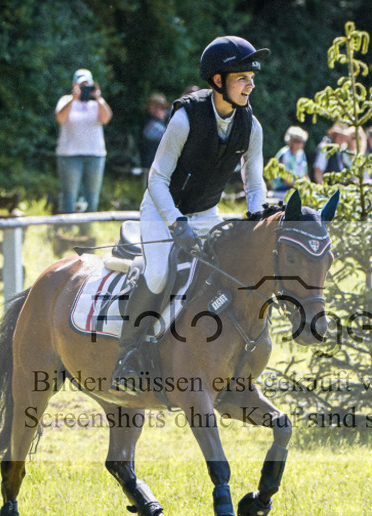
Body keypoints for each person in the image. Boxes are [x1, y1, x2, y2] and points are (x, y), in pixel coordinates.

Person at [111, 35, 270, 392]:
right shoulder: (186, 118)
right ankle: (128, 355)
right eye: (243, 77)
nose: (251, 84)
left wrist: (258, 219)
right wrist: (175, 222)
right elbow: (157, 178)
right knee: (157, 274)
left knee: (229, 269)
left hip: (205, 213)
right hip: (160, 208)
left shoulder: (251, 126)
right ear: (218, 81)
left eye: (252, 77)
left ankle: (220, 350)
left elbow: (254, 186)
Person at [55, 68, 112, 214]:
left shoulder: (97, 103)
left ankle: (86, 232)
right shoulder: (66, 100)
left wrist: (98, 98)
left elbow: (106, 118)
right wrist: (73, 99)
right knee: (69, 195)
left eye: (88, 85)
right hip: (69, 155)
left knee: (92, 197)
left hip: (95, 154)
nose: (84, 88)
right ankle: (67, 230)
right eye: (82, 85)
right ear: (75, 85)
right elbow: (60, 118)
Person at [269, 125, 308, 198]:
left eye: (302, 142)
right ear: (291, 141)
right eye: (297, 141)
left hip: (296, 188)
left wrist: (308, 186)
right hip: (282, 189)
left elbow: (305, 174)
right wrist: (301, 187)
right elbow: (286, 180)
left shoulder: (301, 154)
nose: (300, 145)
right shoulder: (284, 154)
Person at [139, 92, 168, 169]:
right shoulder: (148, 123)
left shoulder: (166, 121)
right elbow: (167, 138)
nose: (158, 110)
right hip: (151, 164)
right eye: (154, 106)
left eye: (161, 107)